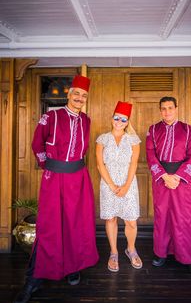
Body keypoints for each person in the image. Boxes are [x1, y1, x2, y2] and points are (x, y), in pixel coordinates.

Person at [14, 75, 99, 303]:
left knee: (75, 222)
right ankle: (34, 278)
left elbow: (83, 150)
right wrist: (48, 166)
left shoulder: (87, 121)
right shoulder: (50, 116)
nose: (80, 98)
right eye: (77, 94)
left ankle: (73, 267)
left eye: (84, 96)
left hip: (79, 178)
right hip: (54, 177)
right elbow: (36, 144)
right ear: (69, 95)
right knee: (49, 225)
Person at [146, 96, 191, 275]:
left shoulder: (188, 130)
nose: (167, 112)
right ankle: (161, 253)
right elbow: (150, 155)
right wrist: (163, 176)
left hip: (182, 180)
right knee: (162, 217)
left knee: (184, 218)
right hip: (161, 180)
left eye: (170, 108)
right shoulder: (153, 130)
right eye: (163, 108)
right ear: (160, 110)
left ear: (176, 108)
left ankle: (189, 258)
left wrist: (177, 176)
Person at [96, 101, 142, 272]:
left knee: (131, 221)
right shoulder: (102, 139)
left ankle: (131, 249)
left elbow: (134, 164)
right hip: (108, 184)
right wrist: (113, 186)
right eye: (117, 118)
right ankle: (114, 252)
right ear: (112, 119)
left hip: (128, 183)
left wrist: (125, 186)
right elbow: (100, 165)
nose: (119, 122)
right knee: (111, 219)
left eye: (123, 120)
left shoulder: (133, 140)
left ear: (127, 122)